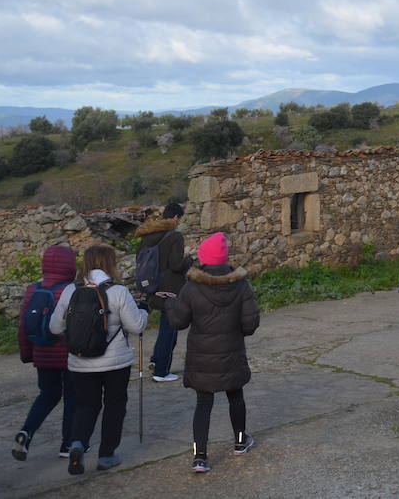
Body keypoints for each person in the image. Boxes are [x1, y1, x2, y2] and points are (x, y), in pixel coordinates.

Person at [49, 242, 149, 475]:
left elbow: (54, 327)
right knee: (115, 406)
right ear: (110, 263)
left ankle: (77, 444)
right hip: (116, 362)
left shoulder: (70, 291)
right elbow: (136, 326)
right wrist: (144, 310)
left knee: (85, 406)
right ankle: (106, 455)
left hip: (80, 362)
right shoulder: (118, 292)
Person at [166, 232, 260, 474]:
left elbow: (178, 322)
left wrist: (169, 305)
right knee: (236, 397)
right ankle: (240, 441)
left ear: (204, 259)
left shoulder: (191, 288)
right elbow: (250, 325)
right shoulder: (241, 285)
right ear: (224, 259)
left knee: (203, 404)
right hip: (231, 353)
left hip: (202, 356)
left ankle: (200, 456)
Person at [12, 245, 78, 462]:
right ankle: (67, 444)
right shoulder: (70, 290)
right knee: (72, 398)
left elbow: (24, 325)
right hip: (68, 355)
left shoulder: (33, 289)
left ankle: (26, 432)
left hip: (42, 352)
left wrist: (27, 353)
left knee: (47, 395)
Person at [135, 202, 191, 382]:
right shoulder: (175, 236)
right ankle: (161, 371)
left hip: (152, 287)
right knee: (169, 330)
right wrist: (188, 261)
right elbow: (176, 265)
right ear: (176, 217)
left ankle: (156, 363)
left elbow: (139, 260)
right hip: (170, 290)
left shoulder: (147, 235)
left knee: (164, 329)